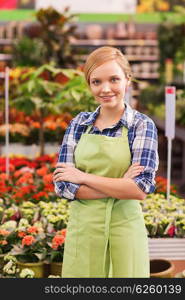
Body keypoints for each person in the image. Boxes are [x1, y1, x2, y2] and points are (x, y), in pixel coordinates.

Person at [53, 46, 159, 278]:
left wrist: (82, 177)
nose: (105, 89)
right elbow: (63, 185)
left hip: (125, 231)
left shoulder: (141, 125)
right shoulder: (78, 124)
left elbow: (139, 189)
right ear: (89, 85)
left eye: (114, 79)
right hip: (84, 233)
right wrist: (120, 185)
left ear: (127, 80)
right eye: (96, 81)